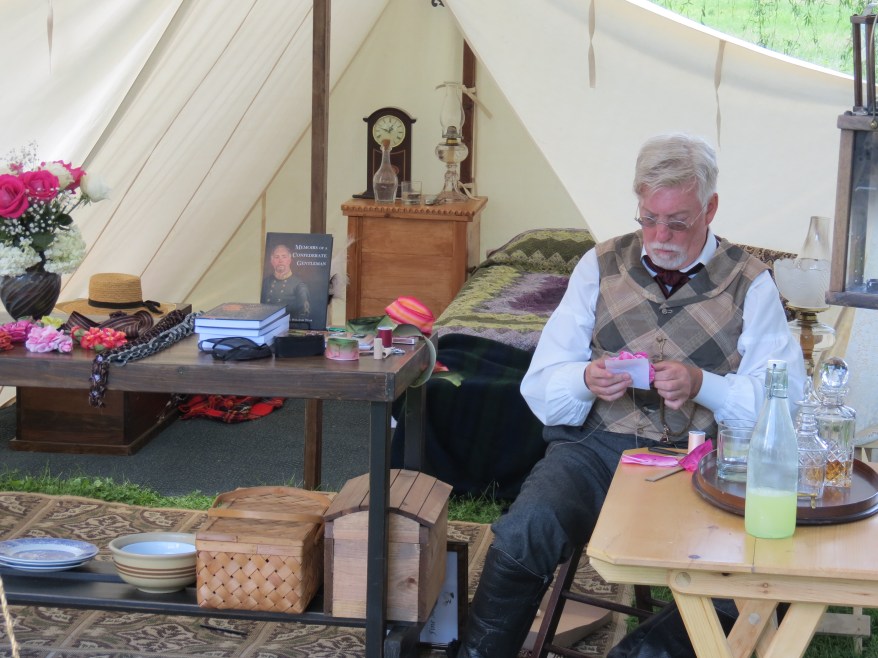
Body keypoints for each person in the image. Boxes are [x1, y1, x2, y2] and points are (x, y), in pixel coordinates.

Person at [452, 133, 806, 657]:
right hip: (595, 451)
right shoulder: (599, 264)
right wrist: (585, 379)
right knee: (526, 528)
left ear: (710, 208)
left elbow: (783, 400)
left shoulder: (749, 282)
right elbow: (542, 381)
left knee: (745, 567)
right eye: (649, 218)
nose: (660, 235)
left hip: (703, 461)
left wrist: (704, 385)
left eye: (677, 221)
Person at [261, 243, 311, 320]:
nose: (280, 260)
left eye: (284, 257)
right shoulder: (265, 283)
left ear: (289, 260)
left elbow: (304, 315)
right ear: (272, 261)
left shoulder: (299, 285)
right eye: (277, 257)